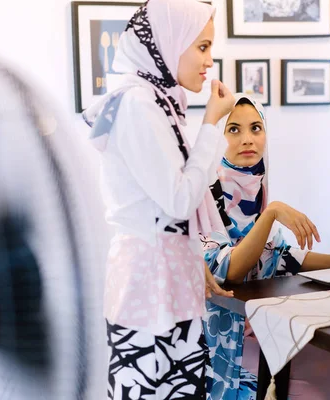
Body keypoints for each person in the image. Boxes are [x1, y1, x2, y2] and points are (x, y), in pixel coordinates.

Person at [82, 1, 235, 398]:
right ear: (170, 43)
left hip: (164, 282)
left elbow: (163, 206)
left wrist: (193, 259)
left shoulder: (158, 101)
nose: (209, 61)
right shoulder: (138, 103)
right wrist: (213, 125)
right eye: (201, 47)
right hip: (148, 291)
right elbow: (179, 200)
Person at [202, 94, 330, 400]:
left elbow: (281, 256)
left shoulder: (260, 193)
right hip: (223, 346)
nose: (247, 139)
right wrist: (273, 212)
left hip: (264, 331)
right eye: (234, 129)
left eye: (256, 128)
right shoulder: (204, 199)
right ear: (219, 137)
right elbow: (228, 269)